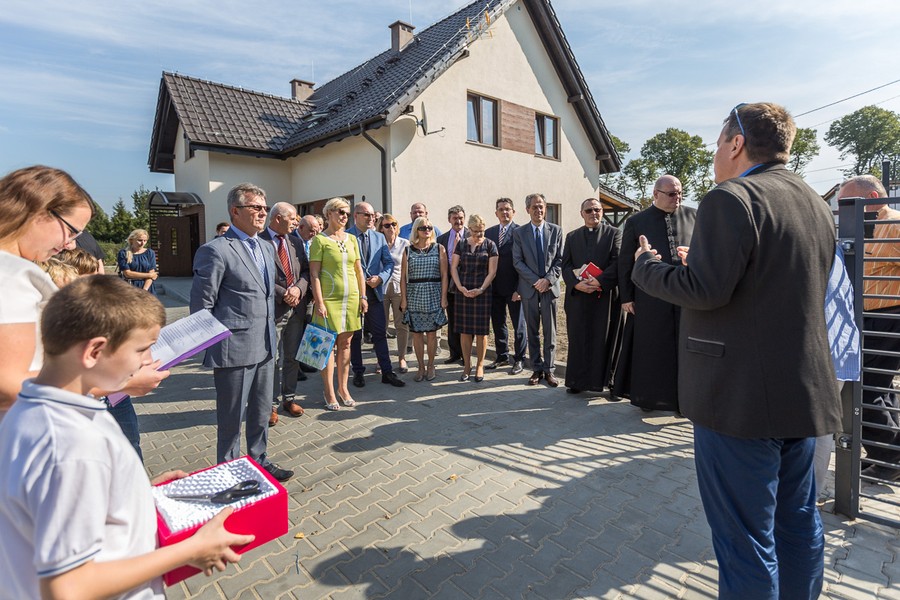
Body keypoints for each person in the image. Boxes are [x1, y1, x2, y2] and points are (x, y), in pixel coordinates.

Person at [631, 102, 841, 599]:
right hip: (803, 393)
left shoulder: (731, 198)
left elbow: (705, 290)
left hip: (742, 403)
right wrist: (700, 260)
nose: (714, 155)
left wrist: (645, 267)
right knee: (798, 524)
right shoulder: (813, 201)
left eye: (717, 142)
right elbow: (770, 282)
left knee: (746, 542)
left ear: (736, 143)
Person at [0, 276, 252, 600]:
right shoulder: (74, 445)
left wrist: (135, 494)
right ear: (94, 351)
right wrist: (192, 549)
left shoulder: (42, 408)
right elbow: (68, 587)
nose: (149, 360)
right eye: (142, 349)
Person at [0, 165, 168, 415]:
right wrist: (117, 383)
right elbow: (11, 387)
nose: (69, 244)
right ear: (40, 212)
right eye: (70, 230)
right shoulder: (11, 275)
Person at [190, 183, 293, 482]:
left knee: (261, 412)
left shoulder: (265, 246)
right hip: (234, 349)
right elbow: (202, 306)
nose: (263, 213)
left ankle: (259, 460)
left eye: (264, 207)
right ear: (235, 211)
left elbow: (266, 294)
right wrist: (211, 348)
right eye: (256, 208)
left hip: (265, 343)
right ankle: (229, 471)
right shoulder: (215, 250)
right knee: (232, 418)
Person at [837, 175, 900, 482]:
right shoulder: (869, 228)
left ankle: (887, 455)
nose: (845, 212)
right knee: (882, 388)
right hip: (872, 317)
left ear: (872, 199)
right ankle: (885, 453)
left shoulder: (894, 226)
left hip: (888, 317)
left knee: (866, 387)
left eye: (849, 204)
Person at [615, 174, 696, 411]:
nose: (677, 198)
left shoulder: (694, 216)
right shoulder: (637, 221)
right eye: (672, 194)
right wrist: (626, 297)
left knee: (684, 349)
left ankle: (684, 401)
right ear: (656, 194)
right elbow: (624, 262)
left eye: (680, 192)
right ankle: (649, 398)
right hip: (650, 296)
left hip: (685, 294)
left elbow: (704, 252)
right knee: (652, 348)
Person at [309, 197, 367, 410]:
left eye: (346, 213)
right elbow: (314, 274)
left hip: (351, 299)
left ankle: (343, 388)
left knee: (346, 344)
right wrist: (319, 301)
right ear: (329, 214)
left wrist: (363, 296)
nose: (344, 216)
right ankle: (329, 391)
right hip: (329, 300)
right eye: (340, 212)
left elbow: (358, 270)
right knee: (328, 347)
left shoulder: (352, 239)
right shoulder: (320, 241)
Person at [560, 198, 622, 394]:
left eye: (597, 210)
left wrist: (600, 281)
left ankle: (608, 382)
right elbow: (566, 265)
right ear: (582, 213)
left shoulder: (614, 234)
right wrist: (576, 283)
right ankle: (577, 381)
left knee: (605, 338)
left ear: (602, 212)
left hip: (604, 296)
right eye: (589, 210)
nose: (593, 213)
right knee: (578, 338)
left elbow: (617, 261)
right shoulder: (572, 236)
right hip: (578, 297)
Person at [260, 202, 310, 425]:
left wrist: (298, 288)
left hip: (296, 307)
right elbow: (257, 275)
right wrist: (283, 293)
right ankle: (270, 404)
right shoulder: (259, 241)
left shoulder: (295, 241)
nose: (296, 222)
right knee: (272, 359)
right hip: (274, 309)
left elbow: (307, 271)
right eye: (292, 218)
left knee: (291, 356)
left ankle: (289, 398)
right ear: (278, 218)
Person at [347, 202, 405, 388]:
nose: (371, 218)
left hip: (374, 293)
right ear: (356, 216)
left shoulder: (379, 237)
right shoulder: (346, 236)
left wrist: (380, 278)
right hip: (353, 293)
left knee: (380, 332)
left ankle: (387, 372)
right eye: (367, 215)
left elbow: (389, 263)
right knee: (356, 335)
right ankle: (358, 372)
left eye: (373, 215)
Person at [512, 193, 564, 388]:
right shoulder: (519, 233)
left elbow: (560, 259)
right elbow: (517, 261)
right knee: (532, 331)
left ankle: (549, 370)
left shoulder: (556, 231)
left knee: (550, 332)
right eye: (534, 207)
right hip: (530, 289)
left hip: (550, 289)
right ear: (528, 210)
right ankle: (536, 369)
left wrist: (548, 280)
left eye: (541, 206)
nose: (539, 210)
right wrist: (536, 281)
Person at [450, 214, 498, 382]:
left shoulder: (490, 245)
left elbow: (492, 271)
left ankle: (479, 366)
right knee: (464, 331)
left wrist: (481, 289)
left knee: (481, 332)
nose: (479, 234)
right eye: (476, 231)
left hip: (482, 293)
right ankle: (467, 366)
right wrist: (460, 287)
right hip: (463, 293)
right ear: (469, 230)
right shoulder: (461, 244)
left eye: (482, 231)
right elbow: (454, 267)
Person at [401, 217, 449, 382]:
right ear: (416, 230)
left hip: (433, 294)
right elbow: (402, 278)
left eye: (429, 227)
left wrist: (444, 298)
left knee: (431, 334)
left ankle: (431, 365)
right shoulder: (408, 251)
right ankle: (420, 366)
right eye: (422, 227)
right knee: (416, 334)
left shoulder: (439, 248)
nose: (427, 229)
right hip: (415, 295)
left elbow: (444, 275)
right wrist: (404, 300)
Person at [485, 198, 526, 375]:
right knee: (498, 323)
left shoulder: (521, 232)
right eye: (501, 209)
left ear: (513, 212)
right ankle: (502, 356)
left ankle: (519, 359)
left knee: (519, 325)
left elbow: (525, 263)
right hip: (494, 288)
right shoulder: (489, 233)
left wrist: (520, 288)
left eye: (508, 209)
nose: (504, 212)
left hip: (514, 288)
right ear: (496, 213)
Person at [379, 213, 410, 374]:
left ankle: (402, 357)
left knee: (401, 325)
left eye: (393, 224)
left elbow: (408, 270)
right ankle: (382, 359)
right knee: (381, 326)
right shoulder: (378, 243)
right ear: (381, 228)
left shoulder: (405, 244)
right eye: (386, 225)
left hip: (399, 288)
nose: (391, 228)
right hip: (381, 289)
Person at [437, 206, 468, 365]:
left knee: (466, 321)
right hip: (449, 286)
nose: (458, 221)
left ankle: (466, 355)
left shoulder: (471, 236)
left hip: (468, 286)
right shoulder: (441, 239)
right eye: (455, 218)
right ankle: (454, 353)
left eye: (461, 218)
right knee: (453, 320)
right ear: (449, 219)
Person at [117, 228, 158, 294]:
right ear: (131, 240)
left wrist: (144, 290)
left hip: (147, 289)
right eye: (140, 240)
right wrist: (149, 275)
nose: (142, 243)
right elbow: (127, 274)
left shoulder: (150, 253)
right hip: (130, 288)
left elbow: (152, 273)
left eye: (145, 240)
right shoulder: (123, 253)